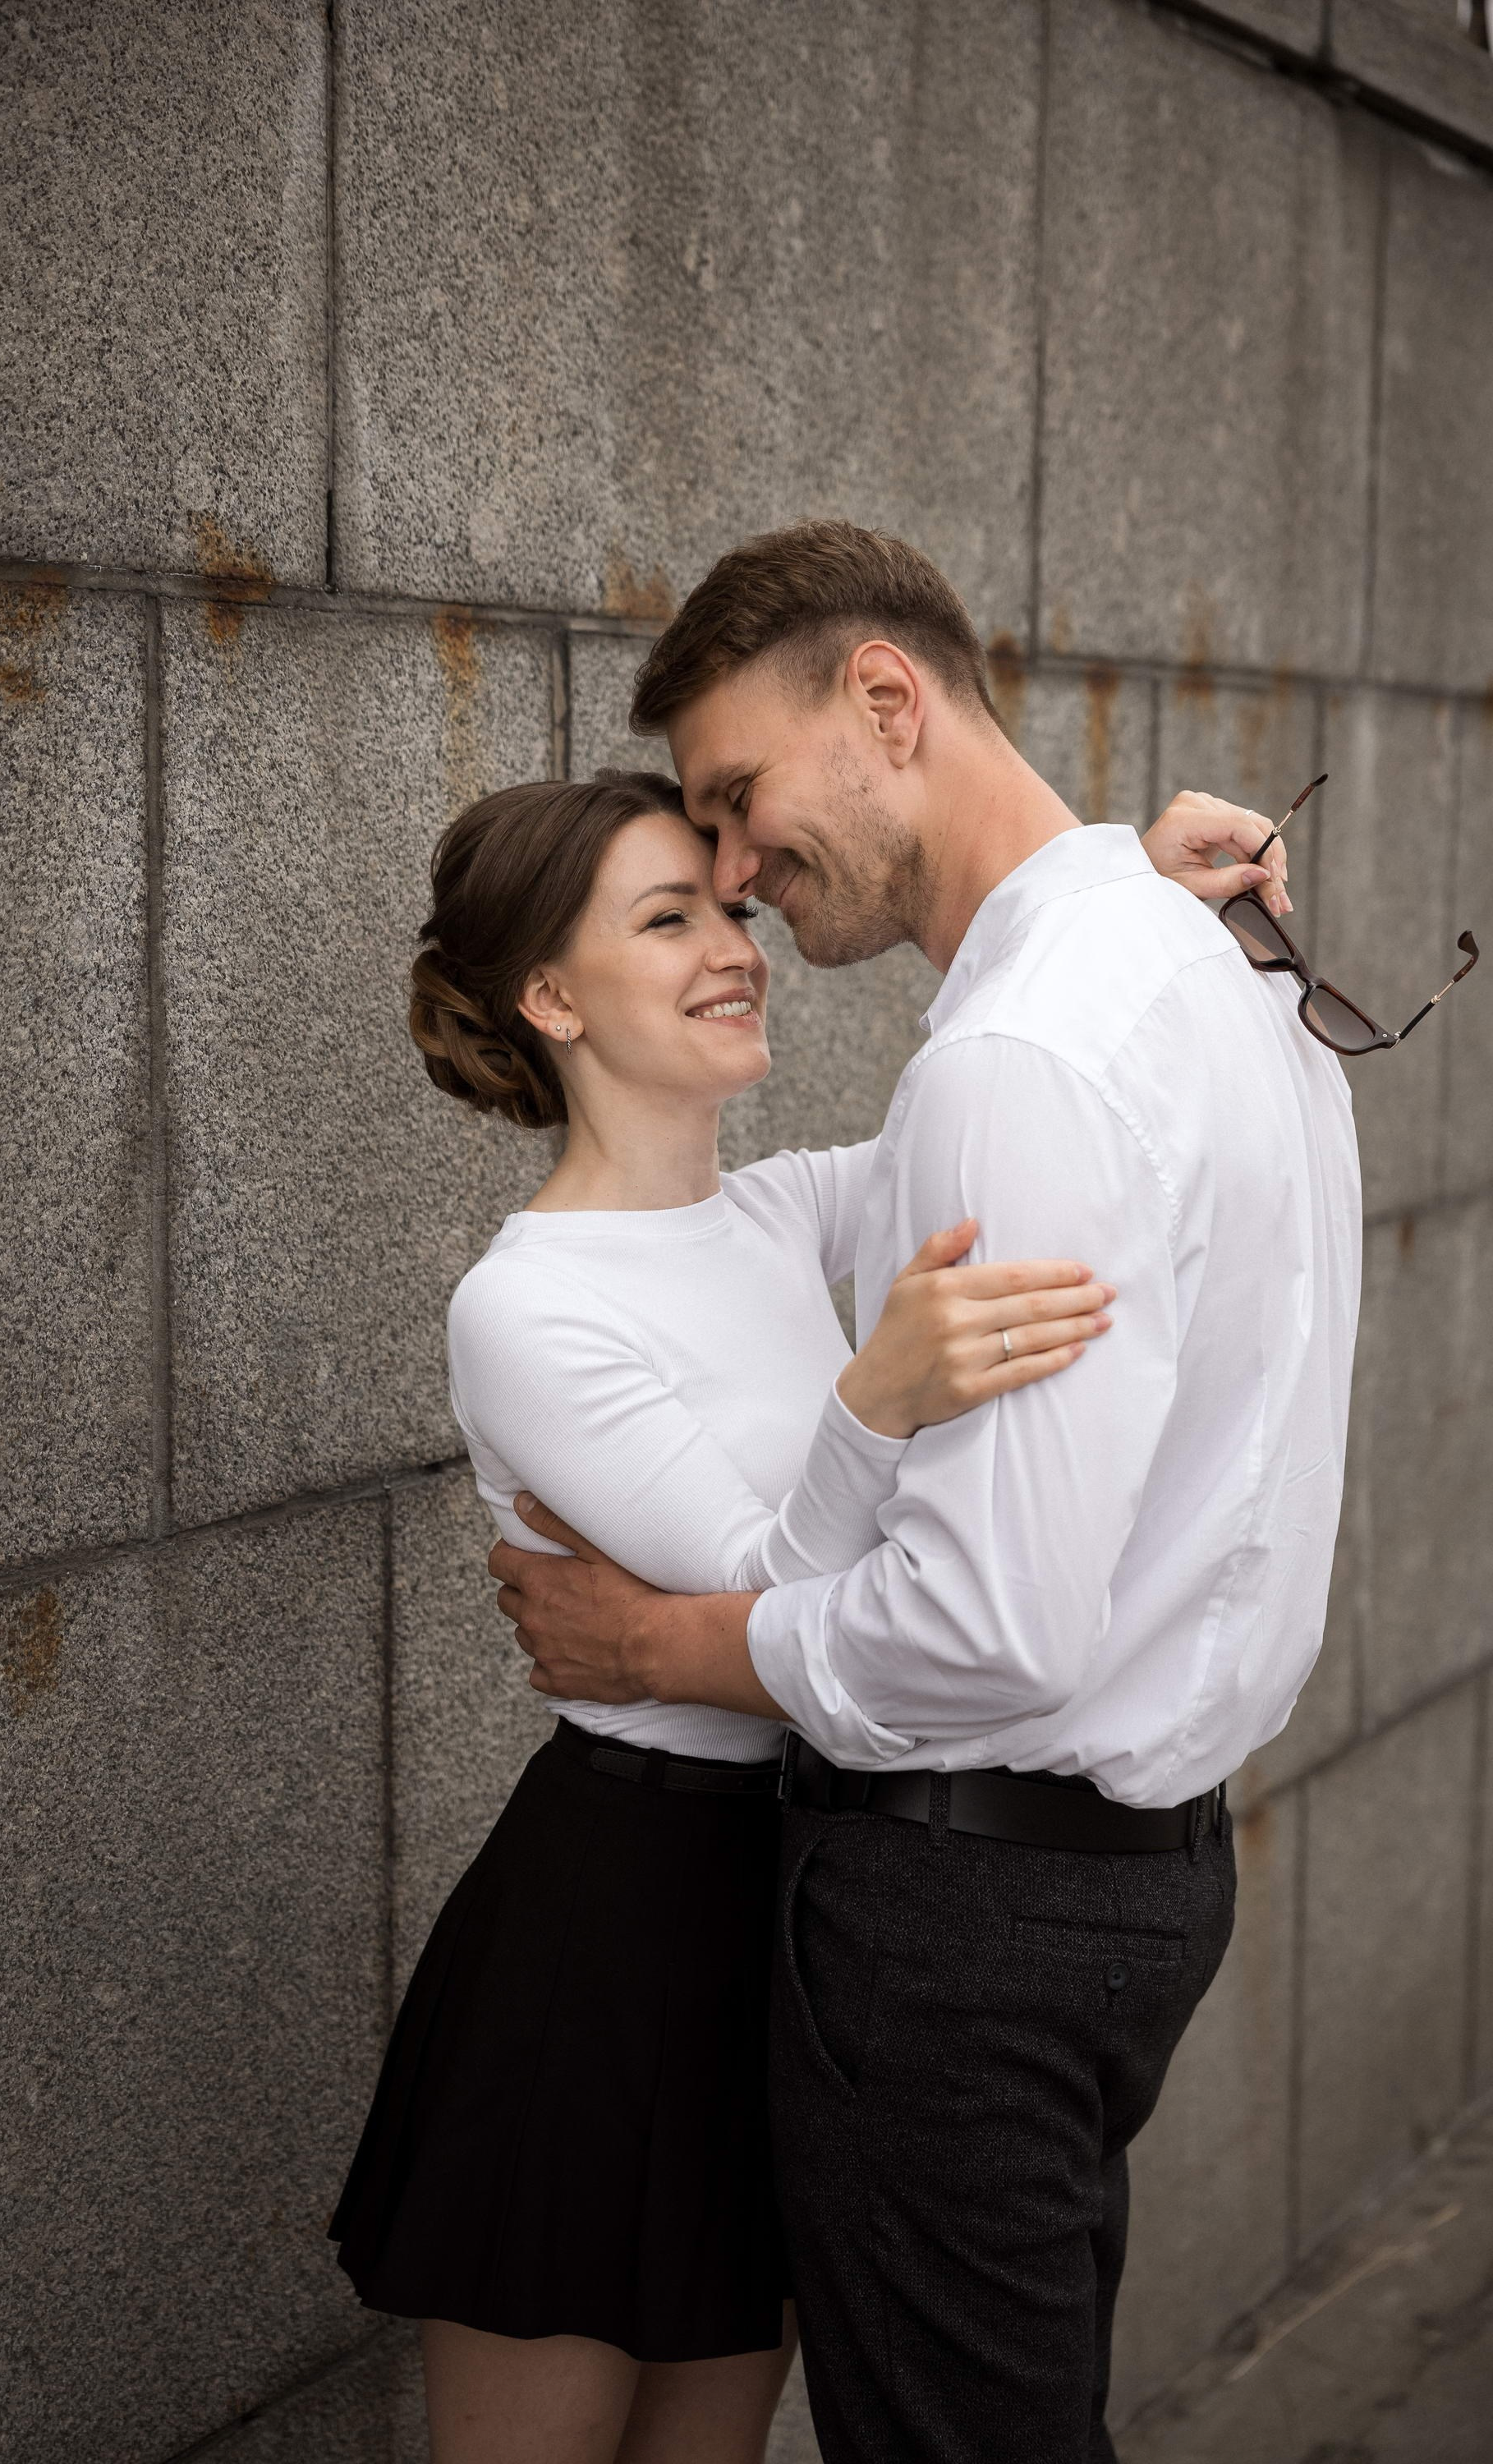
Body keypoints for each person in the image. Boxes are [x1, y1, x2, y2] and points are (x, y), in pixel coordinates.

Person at [487, 522, 1362, 2464]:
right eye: (687, 861)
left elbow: (980, 1633)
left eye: (733, 802)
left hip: (970, 1912)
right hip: (1142, 1883)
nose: (728, 875)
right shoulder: (1224, 977)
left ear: (884, 701)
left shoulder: (1027, 1058)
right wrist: (1120, 870)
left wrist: (664, 1641)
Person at [329, 755, 1278, 2464]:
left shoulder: (777, 1213)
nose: (736, 943)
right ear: (551, 996)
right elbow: (781, 1586)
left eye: (731, 906)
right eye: (668, 916)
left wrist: (1129, 885)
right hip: (604, 1939)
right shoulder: (524, 1306)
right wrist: (878, 1403)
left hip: (797, 1916)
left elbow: (1005, 1090)